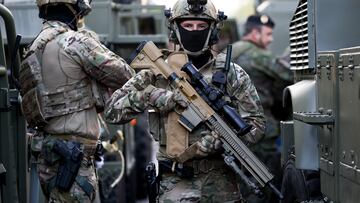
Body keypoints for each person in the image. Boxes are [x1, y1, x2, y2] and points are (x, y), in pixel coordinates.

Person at [105, 0, 265, 202]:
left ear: (212, 30)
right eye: (188, 26)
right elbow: (112, 111)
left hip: (222, 184)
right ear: (175, 29)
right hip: (175, 182)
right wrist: (151, 95)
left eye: (201, 26)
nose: (194, 31)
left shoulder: (232, 74)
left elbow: (257, 125)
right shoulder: (156, 73)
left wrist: (221, 140)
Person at [19, 0, 135, 202]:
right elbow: (125, 75)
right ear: (76, 7)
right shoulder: (75, 42)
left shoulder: (32, 48)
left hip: (50, 157)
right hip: (74, 160)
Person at [230, 14, 293, 202]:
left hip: (231, 125)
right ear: (256, 34)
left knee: (242, 179)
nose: (271, 39)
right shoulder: (257, 54)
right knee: (265, 181)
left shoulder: (230, 52)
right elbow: (288, 74)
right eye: (268, 34)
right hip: (259, 128)